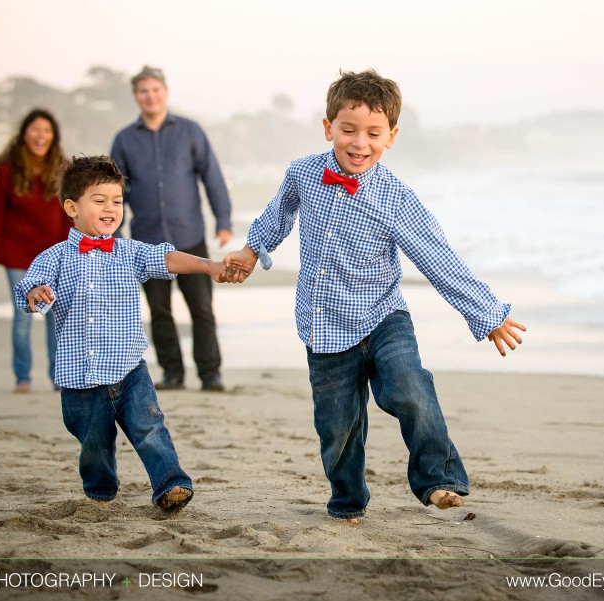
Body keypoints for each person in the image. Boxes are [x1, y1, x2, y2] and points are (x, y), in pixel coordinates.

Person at [223, 70, 526, 522]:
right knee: (337, 427)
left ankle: (438, 478)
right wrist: (252, 251)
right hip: (323, 323)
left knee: (409, 388)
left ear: (392, 137)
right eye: (348, 130)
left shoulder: (396, 197)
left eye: (373, 133)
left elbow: (437, 257)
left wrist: (486, 314)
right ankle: (347, 501)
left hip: (384, 316)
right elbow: (278, 214)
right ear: (328, 128)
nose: (359, 142)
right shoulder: (303, 174)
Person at [14, 155, 238, 511]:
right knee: (95, 444)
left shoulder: (128, 251)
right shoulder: (53, 257)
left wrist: (209, 266)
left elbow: (166, 259)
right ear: (71, 207)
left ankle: (171, 484)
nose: (110, 209)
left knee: (150, 428)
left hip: (129, 369)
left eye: (116, 201)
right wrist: (33, 294)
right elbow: (29, 287)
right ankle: (100, 494)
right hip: (80, 378)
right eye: (99, 201)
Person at [111, 66, 232, 392]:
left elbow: (212, 177)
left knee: (202, 311)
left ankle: (210, 374)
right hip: (147, 243)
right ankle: (172, 373)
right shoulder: (124, 140)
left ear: (165, 92)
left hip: (189, 237)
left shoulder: (190, 131)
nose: (150, 96)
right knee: (160, 313)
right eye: (143, 91)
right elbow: (115, 193)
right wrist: (115, 235)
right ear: (136, 96)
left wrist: (223, 221)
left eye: (155, 90)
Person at [0, 108, 70, 393]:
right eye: (35, 130)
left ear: (53, 136)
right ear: (24, 134)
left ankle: (59, 377)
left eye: (46, 131)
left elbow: (72, 211)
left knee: (53, 312)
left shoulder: (61, 167)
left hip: (53, 253)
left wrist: (76, 247)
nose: (40, 136)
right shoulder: (9, 168)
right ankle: (23, 377)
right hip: (17, 253)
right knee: (23, 314)